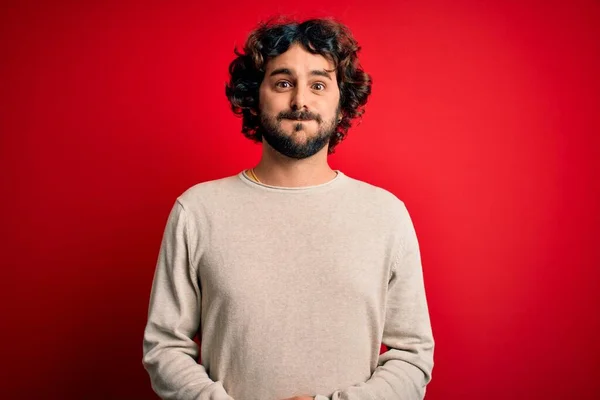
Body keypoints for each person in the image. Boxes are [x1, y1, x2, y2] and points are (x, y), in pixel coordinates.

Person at [142, 17, 434, 400]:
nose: (300, 101)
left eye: (318, 84)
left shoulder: (386, 215)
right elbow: (164, 347)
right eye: (283, 83)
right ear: (254, 95)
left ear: (342, 101)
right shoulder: (197, 210)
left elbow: (412, 356)